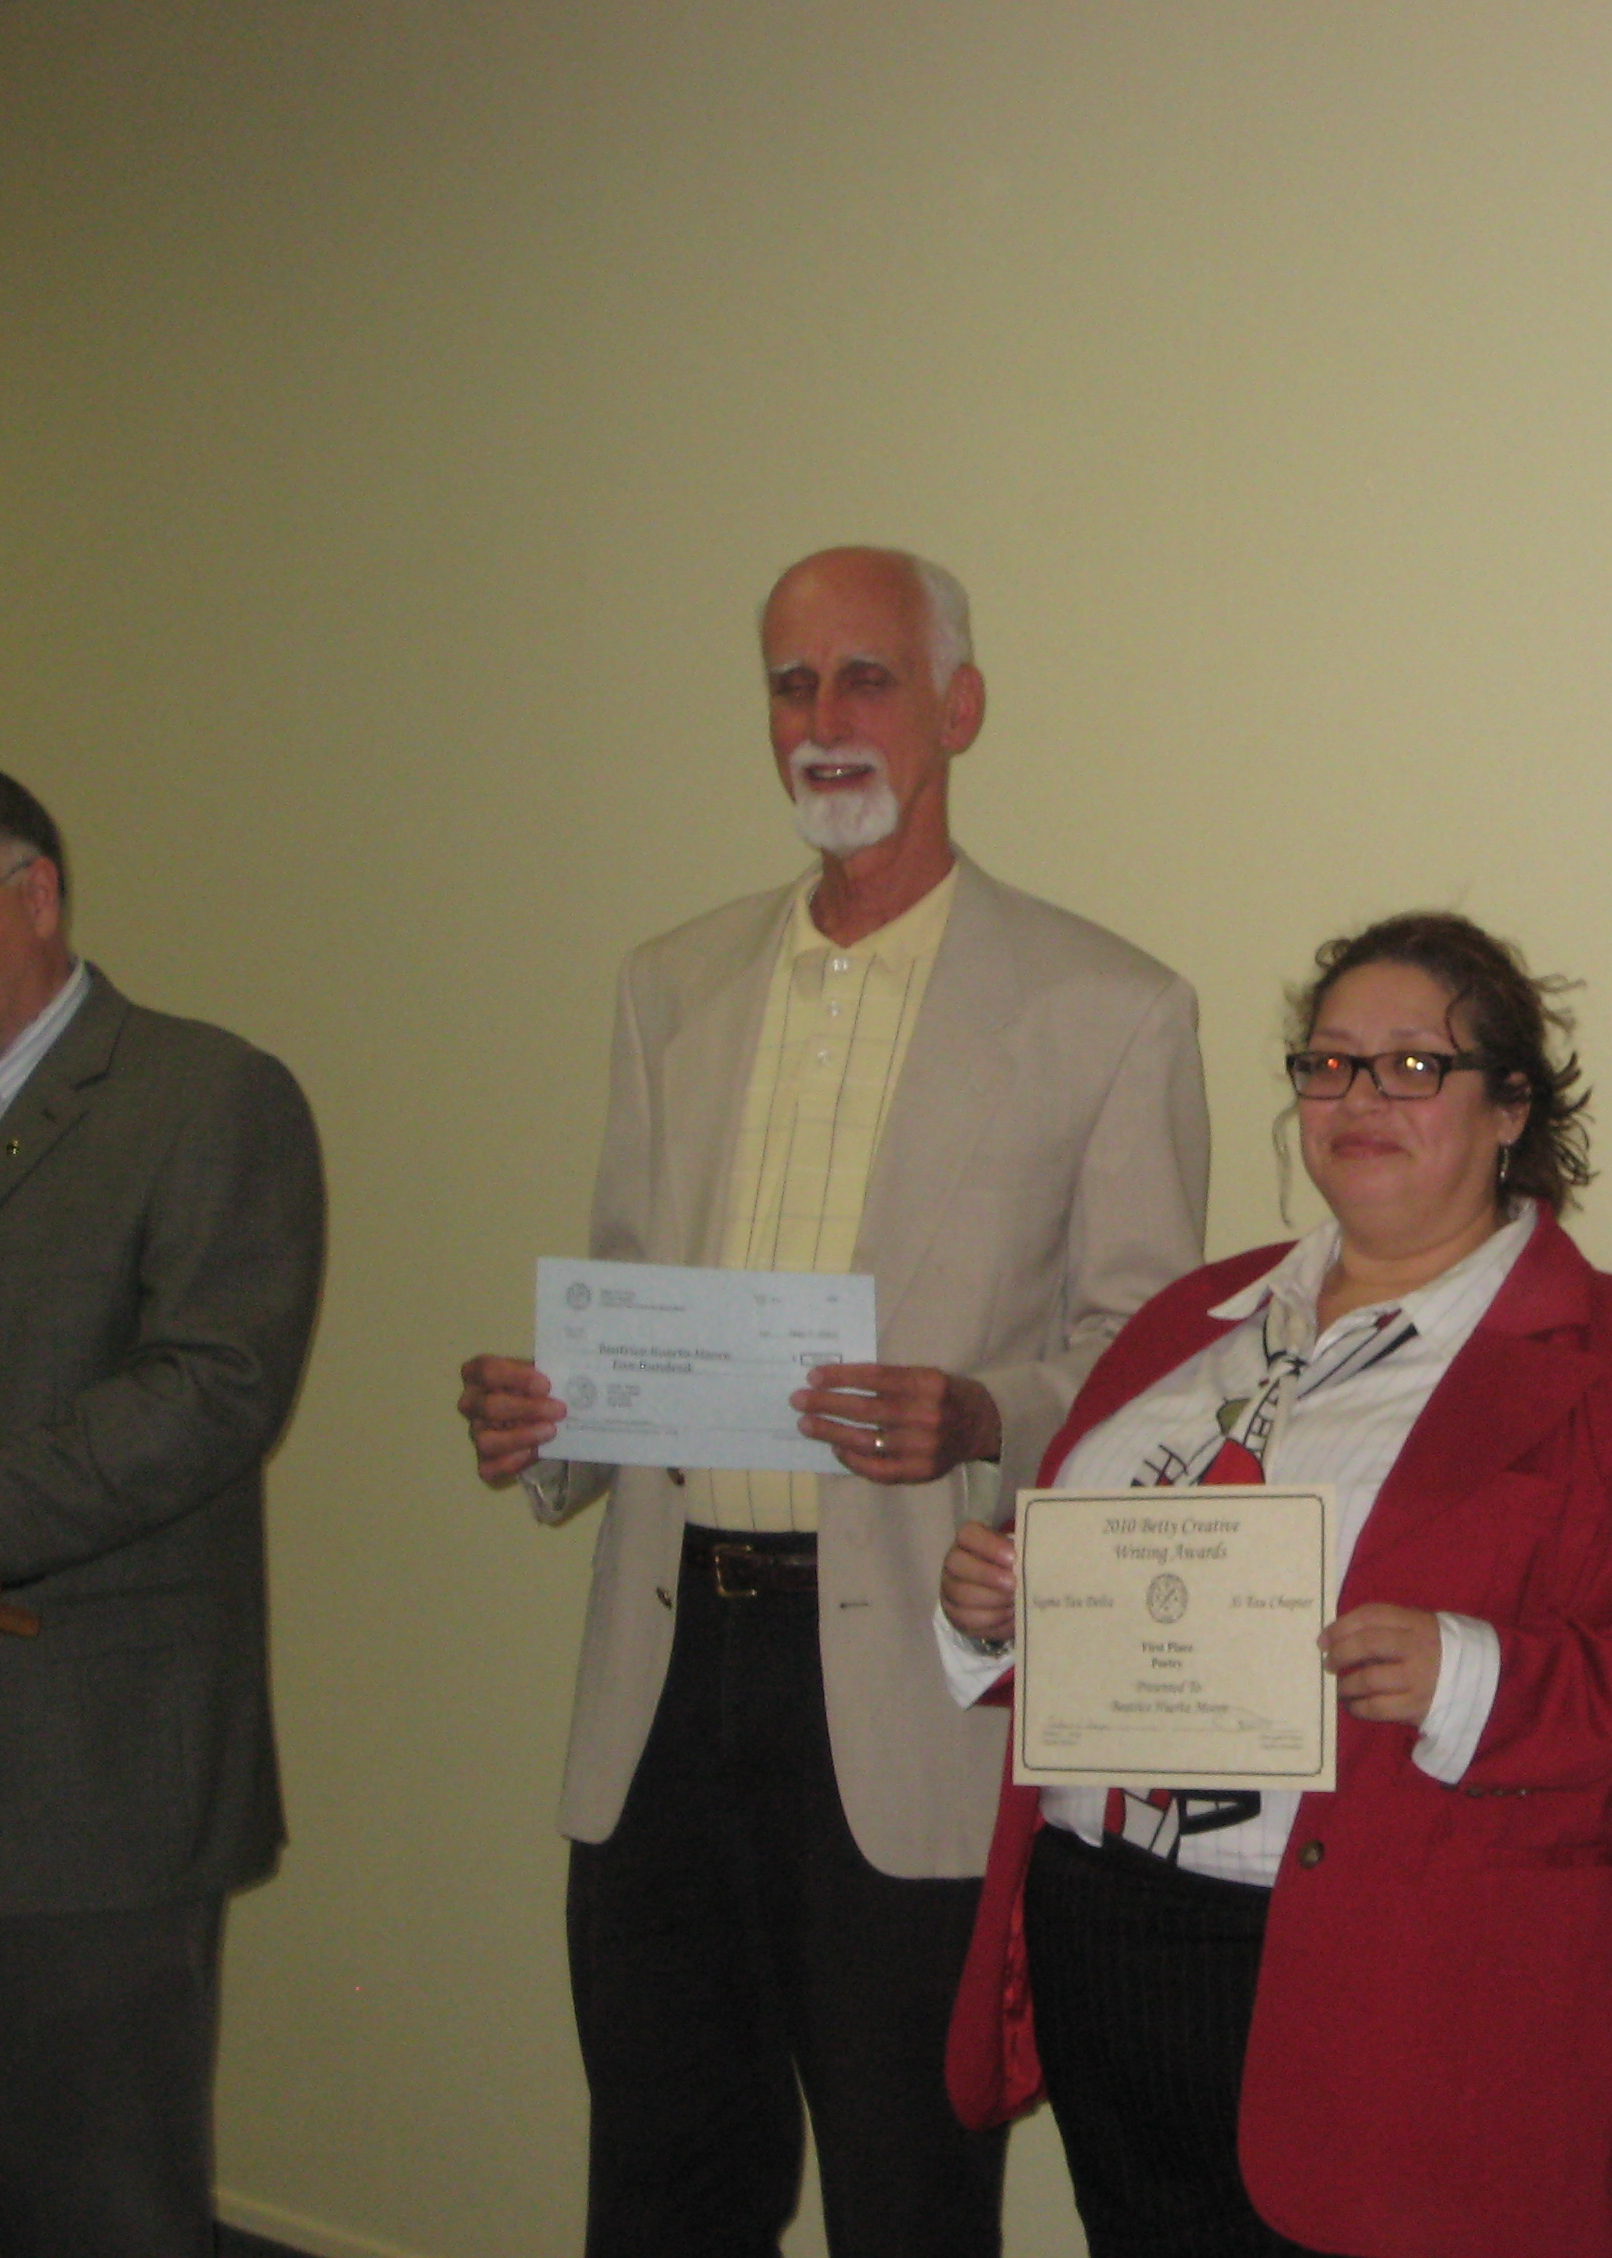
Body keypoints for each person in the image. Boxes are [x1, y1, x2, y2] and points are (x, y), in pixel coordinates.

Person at [455, 547, 1206, 2258]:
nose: (823, 719)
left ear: (959, 707)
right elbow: (633, 1295)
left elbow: (1151, 1367)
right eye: (790, 684)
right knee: (662, 2188)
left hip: (912, 1692)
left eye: (866, 677)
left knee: (908, 2202)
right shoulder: (672, 983)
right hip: (661, 1680)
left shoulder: (1107, 1008)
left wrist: (983, 1415)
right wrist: (551, 1419)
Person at [937, 912, 1612, 2258]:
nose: (1358, 1098)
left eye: (1412, 1066)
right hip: (1112, 1941)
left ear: (1511, 1105)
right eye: (1328, 1063)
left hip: (1426, 1987)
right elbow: (1118, 1603)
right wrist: (1002, 1613)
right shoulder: (1187, 1322)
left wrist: (1476, 1674)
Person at [0, 760, 325, 2258]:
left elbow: (209, 1395)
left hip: (88, 1794)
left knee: (99, 2219)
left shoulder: (204, 1095)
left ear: (36, 896)